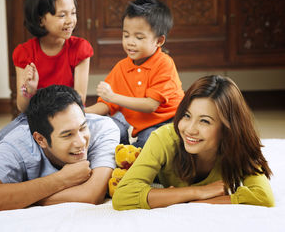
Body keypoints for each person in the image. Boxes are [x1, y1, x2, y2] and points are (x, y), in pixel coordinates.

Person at [112, 75, 274, 210]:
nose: (190, 129)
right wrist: (201, 192)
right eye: (187, 116)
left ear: (228, 128)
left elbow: (263, 196)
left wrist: (192, 202)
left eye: (204, 121)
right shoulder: (163, 138)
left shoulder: (240, 145)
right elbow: (123, 196)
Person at [0, 85, 120, 213]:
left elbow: (92, 195)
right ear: (41, 139)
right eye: (67, 135)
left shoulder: (103, 128)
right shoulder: (16, 143)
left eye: (83, 128)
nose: (80, 142)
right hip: (10, 135)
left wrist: (16, 199)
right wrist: (62, 179)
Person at [85, 0, 184, 148]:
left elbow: (151, 105)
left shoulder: (164, 63)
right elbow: (106, 105)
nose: (130, 42)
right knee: (107, 129)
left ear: (159, 40)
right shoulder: (121, 67)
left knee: (149, 143)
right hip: (144, 127)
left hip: (170, 122)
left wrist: (113, 97)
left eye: (139, 37)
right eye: (126, 35)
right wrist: (83, 112)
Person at [15, 0, 93, 112]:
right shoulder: (24, 53)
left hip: (70, 115)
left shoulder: (80, 48)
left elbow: (80, 99)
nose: (70, 21)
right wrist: (29, 90)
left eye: (73, 13)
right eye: (62, 15)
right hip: (38, 119)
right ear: (41, 20)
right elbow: (22, 108)